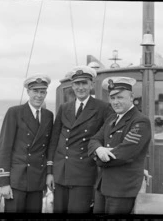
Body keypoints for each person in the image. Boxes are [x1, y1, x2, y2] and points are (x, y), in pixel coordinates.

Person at [46, 65, 113, 213]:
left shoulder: (103, 108)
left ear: (91, 85)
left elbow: (109, 138)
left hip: (84, 174)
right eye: (77, 83)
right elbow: (54, 141)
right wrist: (50, 172)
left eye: (84, 83)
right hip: (61, 173)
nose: (80, 87)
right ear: (72, 85)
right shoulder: (64, 107)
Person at [88, 76, 152, 214]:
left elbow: (124, 154)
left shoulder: (140, 121)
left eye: (120, 97)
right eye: (112, 98)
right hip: (103, 186)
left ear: (131, 97)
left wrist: (97, 157)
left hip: (122, 190)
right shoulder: (112, 119)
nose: (115, 102)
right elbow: (94, 140)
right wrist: (99, 149)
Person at [0, 74, 54, 213]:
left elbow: (48, 148)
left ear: (46, 93)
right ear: (28, 92)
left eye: (42, 92)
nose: (39, 96)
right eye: (35, 91)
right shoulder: (14, 112)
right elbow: (4, 148)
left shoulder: (48, 115)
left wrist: (49, 173)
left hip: (37, 180)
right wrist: (4, 183)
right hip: (17, 180)